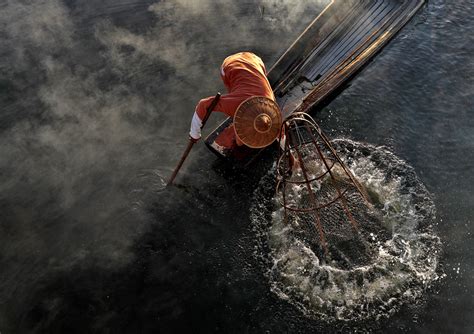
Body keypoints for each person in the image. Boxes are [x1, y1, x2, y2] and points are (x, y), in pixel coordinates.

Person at [189, 52, 276, 151]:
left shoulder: (270, 102)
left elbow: (280, 130)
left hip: (256, 60)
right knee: (239, 142)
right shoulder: (233, 105)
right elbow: (203, 104)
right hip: (230, 65)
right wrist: (194, 134)